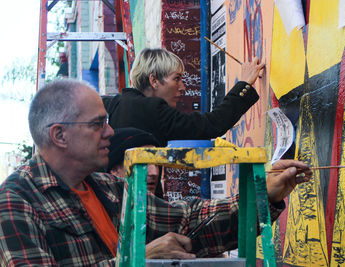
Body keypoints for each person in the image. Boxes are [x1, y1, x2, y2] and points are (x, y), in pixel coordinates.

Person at [0, 79, 312, 266]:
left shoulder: (108, 187)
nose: (110, 132)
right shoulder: (15, 202)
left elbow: (189, 221)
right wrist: (138, 259)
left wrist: (262, 193)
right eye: (98, 124)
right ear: (60, 135)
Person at [103, 48, 265, 146]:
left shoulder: (112, 104)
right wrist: (244, 84)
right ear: (154, 80)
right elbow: (212, 124)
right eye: (176, 79)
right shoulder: (154, 110)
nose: (182, 87)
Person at [107, 127, 162, 196]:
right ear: (115, 170)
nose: (154, 173)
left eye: (157, 164)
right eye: (143, 164)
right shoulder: (99, 205)